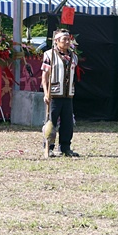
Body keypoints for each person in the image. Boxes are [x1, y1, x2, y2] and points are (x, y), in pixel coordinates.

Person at [41, 29, 79, 157]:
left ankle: (65, 147)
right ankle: (48, 147)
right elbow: (44, 76)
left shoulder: (74, 56)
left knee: (67, 122)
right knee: (51, 121)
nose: (67, 42)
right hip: (54, 94)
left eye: (69, 39)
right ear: (56, 41)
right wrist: (46, 93)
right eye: (64, 39)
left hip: (68, 94)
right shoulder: (49, 55)